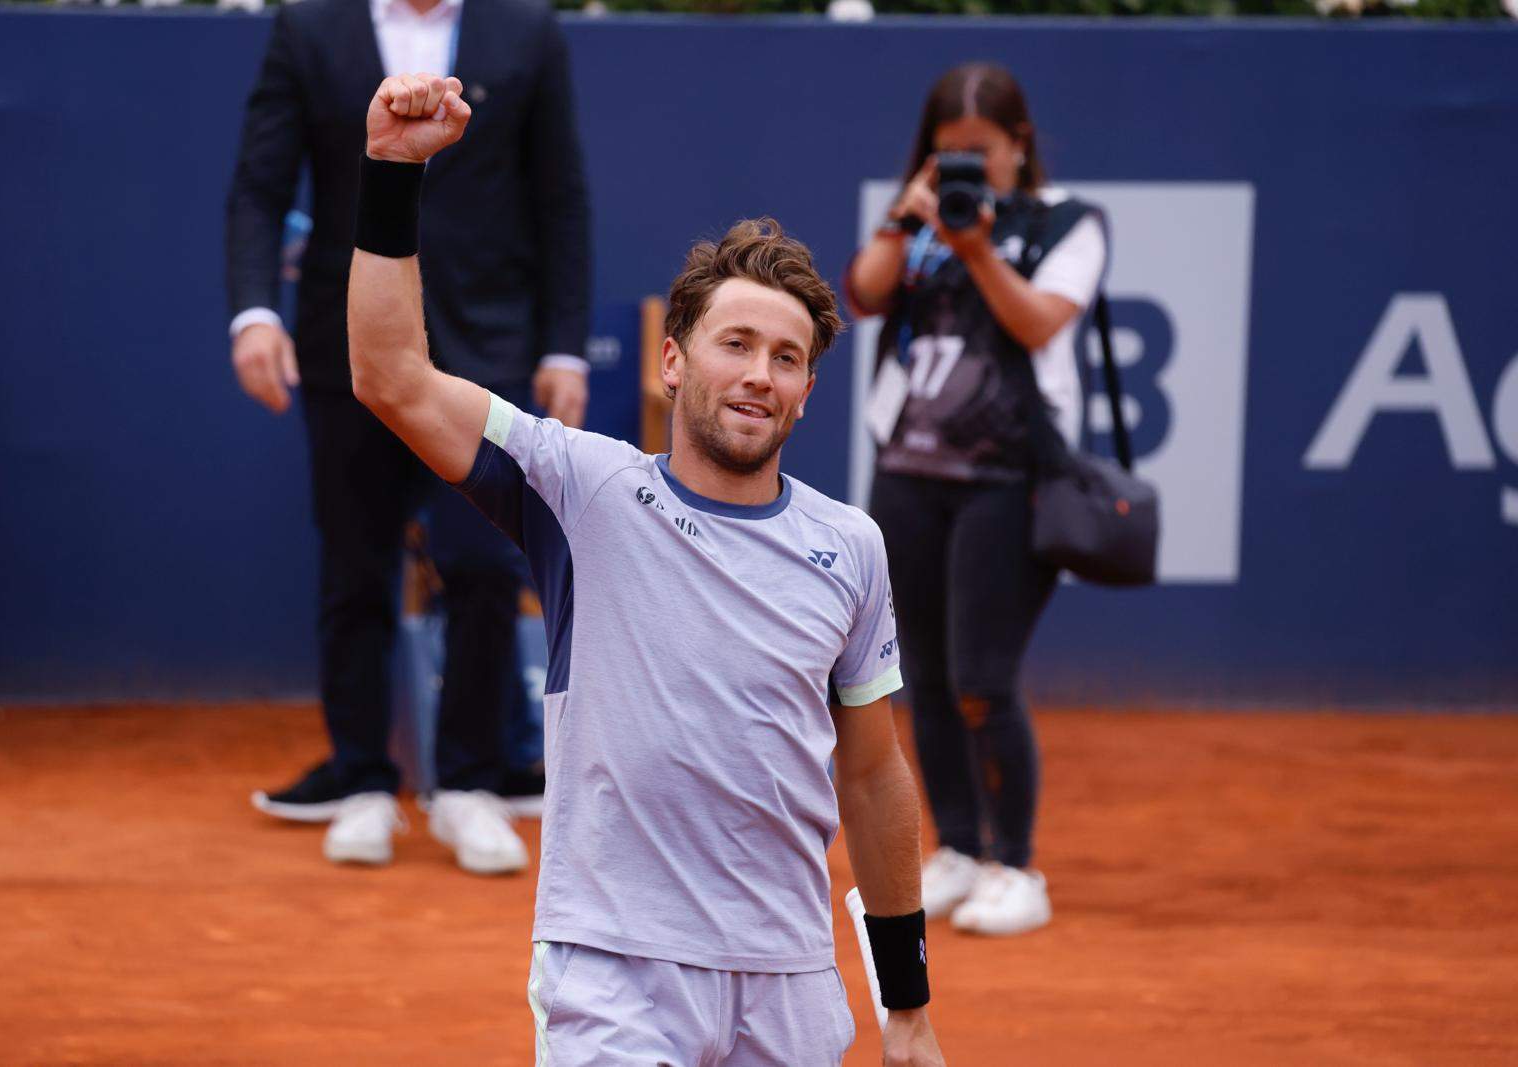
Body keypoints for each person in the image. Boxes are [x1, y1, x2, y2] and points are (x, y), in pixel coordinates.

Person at [349, 73, 946, 1067]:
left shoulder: (851, 546)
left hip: (790, 980)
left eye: (787, 357)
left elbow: (875, 776)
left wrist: (909, 1007)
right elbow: (390, 376)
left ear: (804, 391)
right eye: (736, 344)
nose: (760, 373)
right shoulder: (582, 488)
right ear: (673, 361)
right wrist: (389, 172)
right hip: (613, 969)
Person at [224, 0, 590, 872]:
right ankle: (362, 783)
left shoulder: (528, 29)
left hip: (485, 336)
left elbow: (559, 194)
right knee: (355, 562)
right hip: (340, 335)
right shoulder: (306, 27)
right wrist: (252, 311)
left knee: (481, 562)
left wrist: (564, 344)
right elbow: (261, 184)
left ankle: (469, 783)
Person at [845, 63, 1109, 937]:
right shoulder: (917, 223)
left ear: (1018, 144)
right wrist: (905, 211)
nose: (964, 170)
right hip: (909, 474)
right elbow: (865, 293)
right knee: (917, 674)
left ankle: (1017, 864)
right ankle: (957, 847)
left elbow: (1038, 321)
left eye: (979, 154)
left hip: (1010, 481)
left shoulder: (1070, 222)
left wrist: (976, 248)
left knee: (982, 680)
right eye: (946, 155)